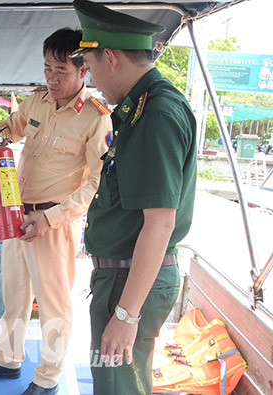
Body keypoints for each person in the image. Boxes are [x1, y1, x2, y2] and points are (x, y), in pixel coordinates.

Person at [0, 28, 112, 395]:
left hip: (52, 223)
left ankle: (47, 378)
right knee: (12, 296)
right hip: (15, 215)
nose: (52, 79)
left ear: (83, 72)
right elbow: (11, 129)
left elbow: (96, 184)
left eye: (61, 71)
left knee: (53, 306)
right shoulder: (36, 102)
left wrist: (50, 217)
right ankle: (6, 359)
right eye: (47, 69)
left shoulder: (96, 118)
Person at [71, 0, 197, 393]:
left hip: (130, 280)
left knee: (118, 387)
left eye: (88, 67)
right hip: (123, 275)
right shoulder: (141, 109)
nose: (91, 79)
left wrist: (126, 315)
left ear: (110, 57)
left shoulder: (155, 114)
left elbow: (160, 224)